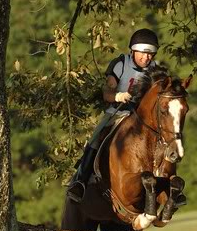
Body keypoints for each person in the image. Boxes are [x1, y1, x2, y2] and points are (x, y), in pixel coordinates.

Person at [67, 28, 159, 203]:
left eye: (151, 54)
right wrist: (118, 96)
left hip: (142, 117)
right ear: (133, 50)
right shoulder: (121, 64)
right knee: (95, 140)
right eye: (144, 53)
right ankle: (80, 182)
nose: (147, 58)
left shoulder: (155, 68)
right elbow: (106, 93)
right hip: (118, 112)